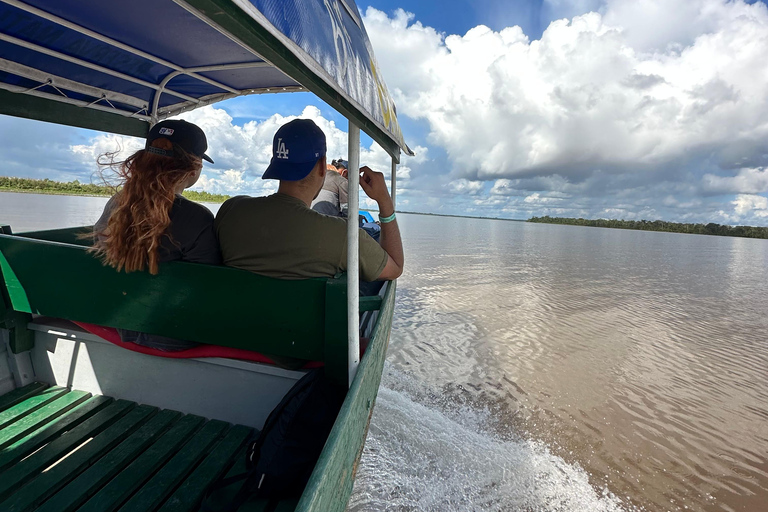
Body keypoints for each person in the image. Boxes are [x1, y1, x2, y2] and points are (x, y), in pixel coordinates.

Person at [215, 118, 403, 285]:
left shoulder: (231, 211)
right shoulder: (344, 235)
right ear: (322, 166)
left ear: (276, 164)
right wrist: (384, 200)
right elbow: (395, 268)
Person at [92, 119, 221, 350]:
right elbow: (206, 289)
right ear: (194, 167)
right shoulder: (198, 217)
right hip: (175, 336)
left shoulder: (116, 203)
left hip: (119, 322)